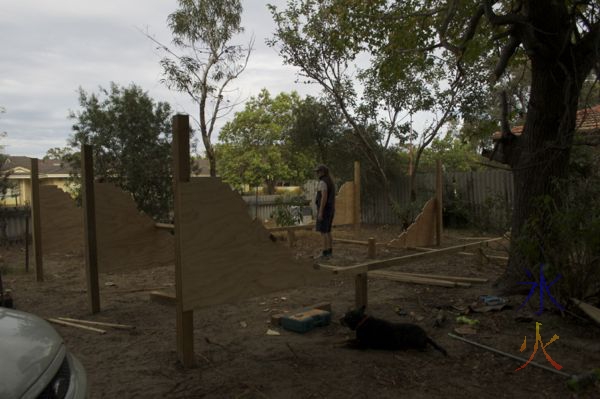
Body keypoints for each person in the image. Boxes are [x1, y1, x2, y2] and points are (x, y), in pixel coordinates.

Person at [314, 164, 335, 257]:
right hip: (330, 209)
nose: (317, 173)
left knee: (323, 232)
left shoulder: (323, 182)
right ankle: (329, 251)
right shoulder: (330, 181)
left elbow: (324, 197)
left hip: (325, 210)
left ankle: (324, 252)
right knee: (328, 231)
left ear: (322, 172)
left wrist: (321, 211)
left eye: (318, 171)